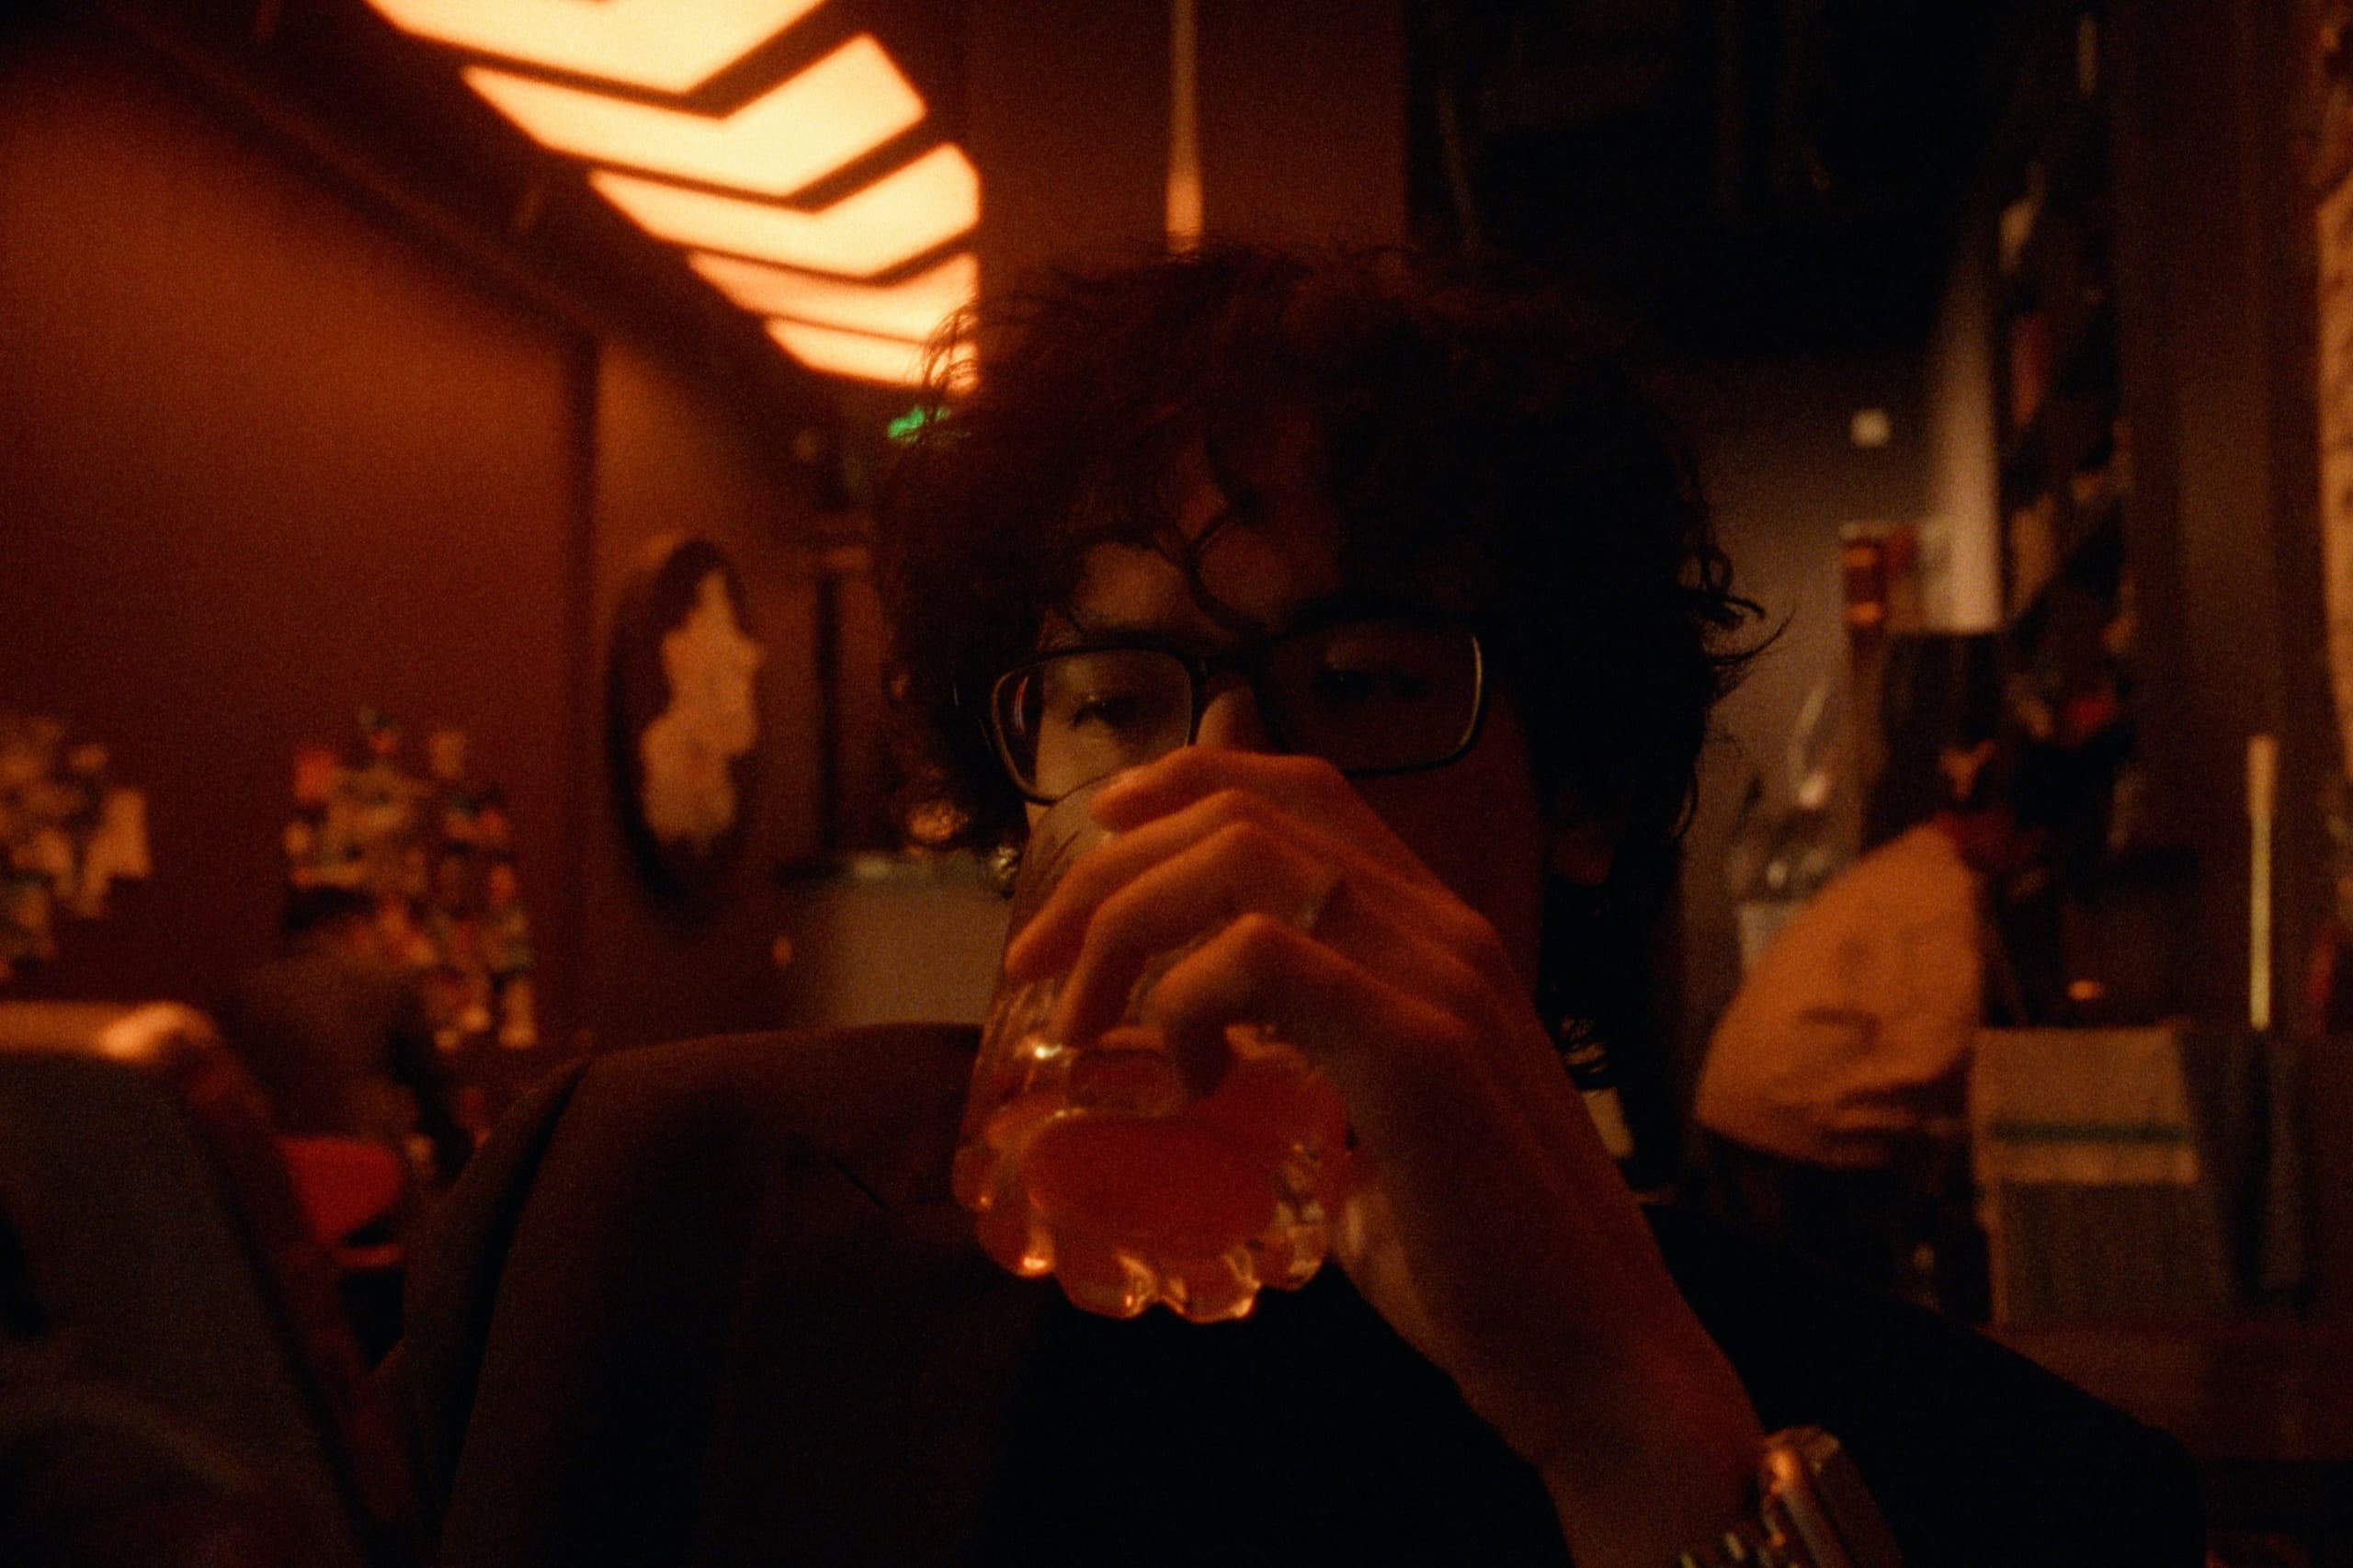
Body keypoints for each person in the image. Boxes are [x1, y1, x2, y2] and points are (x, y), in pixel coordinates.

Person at [381, 247, 2200, 1566]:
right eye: (1116, 697)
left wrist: (1638, 1439)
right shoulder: (635, 1223)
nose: (1222, 799)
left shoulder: (1974, 1479)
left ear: (1572, 797)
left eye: (1371, 685)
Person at [1694, 737, 2047, 1302]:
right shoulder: (1940, 895)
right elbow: (1940, 1051)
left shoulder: (1902, 868)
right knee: (1850, 1334)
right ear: (2006, 825)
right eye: (2034, 842)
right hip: (1795, 1128)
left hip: (1743, 1107)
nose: (2030, 858)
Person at [218, 884, 472, 1187]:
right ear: (356, 926)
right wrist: (465, 1171)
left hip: (279, 1183)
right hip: (368, 1177)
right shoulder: (385, 983)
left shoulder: (245, 994)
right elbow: (432, 1092)